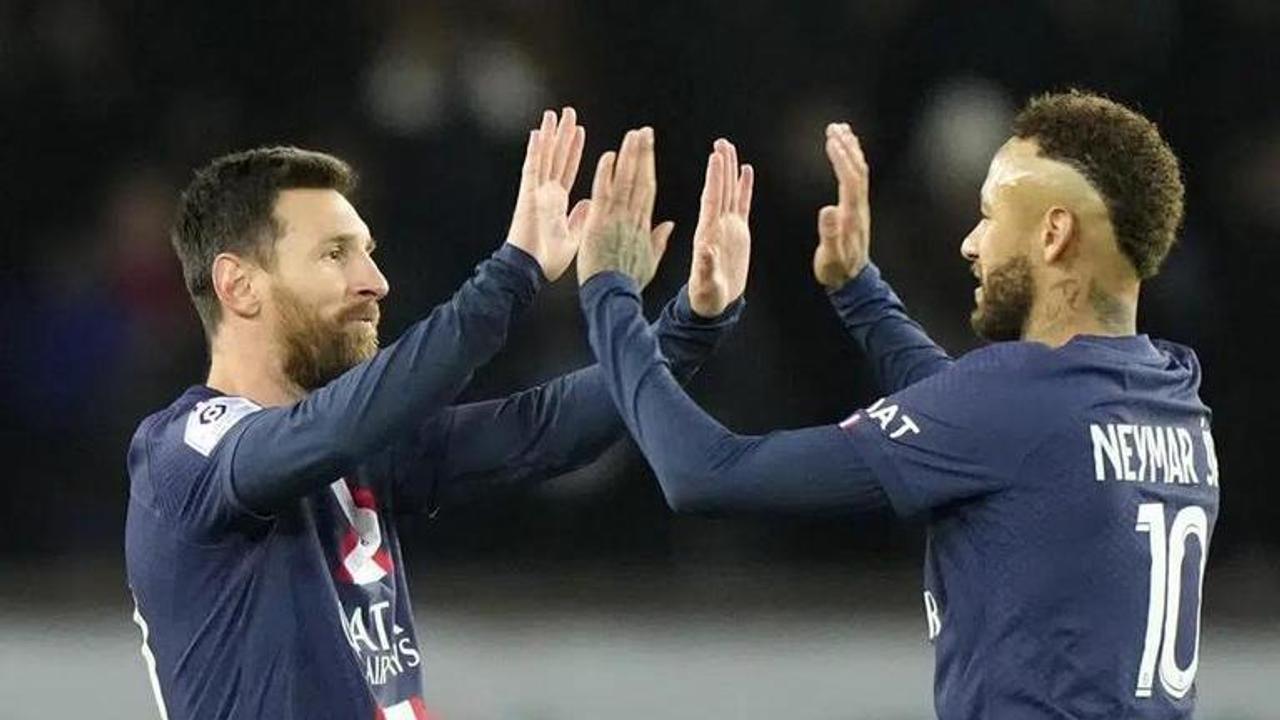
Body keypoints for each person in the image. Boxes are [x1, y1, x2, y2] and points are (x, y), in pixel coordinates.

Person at [576, 91, 1219, 718]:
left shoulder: (1019, 405)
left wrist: (611, 291)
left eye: (991, 215)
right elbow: (975, 421)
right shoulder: (1171, 396)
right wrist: (860, 290)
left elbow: (704, 474)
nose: (972, 243)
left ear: (1053, 234)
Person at [124, 110, 747, 720]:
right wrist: (514, 271)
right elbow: (340, 426)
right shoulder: (183, 454)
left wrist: (687, 325)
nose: (375, 280)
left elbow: (538, 430)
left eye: (368, 251)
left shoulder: (356, 447)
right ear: (238, 285)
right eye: (335, 254)